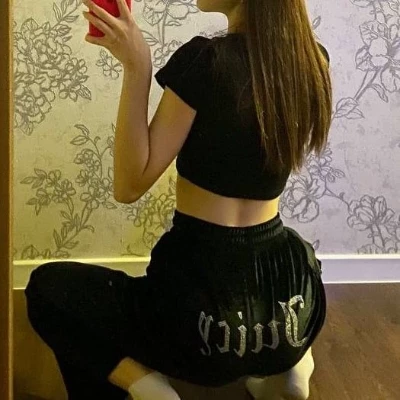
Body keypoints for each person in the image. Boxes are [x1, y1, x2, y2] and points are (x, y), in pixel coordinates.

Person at [24, 0, 332, 399]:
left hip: (199, 324)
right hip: (288, 308)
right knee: (301, 252)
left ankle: (147, 389)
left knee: (47, 289)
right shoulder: (312, 59)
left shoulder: (204, 63)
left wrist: (137, 68)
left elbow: (129, 186)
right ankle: (286, 367)